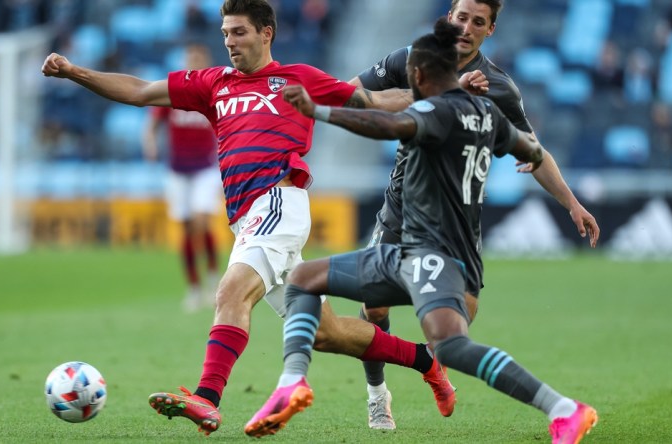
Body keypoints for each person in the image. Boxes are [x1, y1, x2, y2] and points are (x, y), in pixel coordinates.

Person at [42, 0, 454, 436]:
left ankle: (207, 397)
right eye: (225, 33)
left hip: (279, 202)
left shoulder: (299, 79)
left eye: (239, 32)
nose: (229, 42)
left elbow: (374, 100)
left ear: (266, 33)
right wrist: (75, 72)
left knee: (230, 290)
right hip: (247, 219)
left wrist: (445, 98)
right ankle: (427, 362)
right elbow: (141, 91)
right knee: (326, 333)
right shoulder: (212, 84)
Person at [245, 19, 598, 444]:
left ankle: (564, 408)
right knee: (306, 280)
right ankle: (292, 383)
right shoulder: (488, 113)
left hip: (430, 255)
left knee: (450, 346)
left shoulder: (433, 110)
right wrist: (531, 155)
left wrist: (317, 111)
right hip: (428, 253)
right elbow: (531, 149)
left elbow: (386, 125)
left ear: (418, 75)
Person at [348, 0, 601, 429]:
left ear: (490, 31)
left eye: (478, 22)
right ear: (449, 17)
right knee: (373, 310)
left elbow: (535, 153)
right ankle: (377, 394)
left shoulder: (501, 88)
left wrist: (572, 203)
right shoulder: (410, 61)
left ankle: (432, 362)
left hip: (456, 225)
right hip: (402, 211)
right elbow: (350, 95)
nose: (467, 27)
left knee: (455, 329)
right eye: (462, 17)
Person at [142, 43, 222, 312]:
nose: (193, 62)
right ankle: (194, 287)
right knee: (187, 227)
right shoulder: (175, 91)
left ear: (206, 60)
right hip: (177, 169)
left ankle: (213, 279)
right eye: (190, 58)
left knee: (201, 221)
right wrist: (150, 143)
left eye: (198, 58)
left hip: (205, 168)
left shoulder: (213, 91)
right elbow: (153, 122)